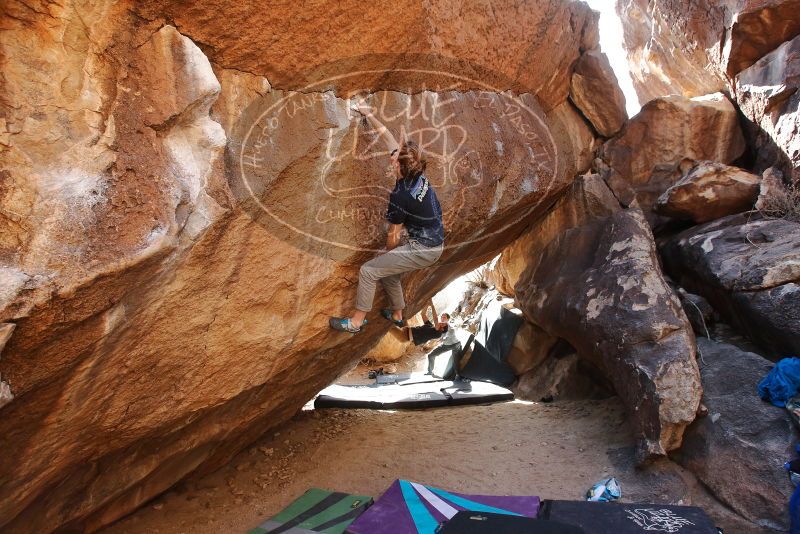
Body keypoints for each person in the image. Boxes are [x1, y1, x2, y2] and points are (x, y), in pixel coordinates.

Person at [329, 103, 445, 334]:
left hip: (422, 248)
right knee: (389, 272)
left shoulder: (400, 195)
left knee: (370, 270)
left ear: (402, 167)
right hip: (434, 243)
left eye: (394, 161)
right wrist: (369, 114)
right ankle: (398, 315)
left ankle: (355, 322)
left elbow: (393, 234)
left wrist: (388, 251)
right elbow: (389, 139)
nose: (391, 160)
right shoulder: (418, 175)